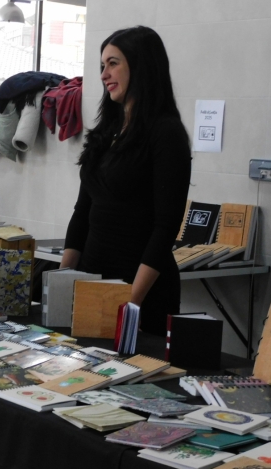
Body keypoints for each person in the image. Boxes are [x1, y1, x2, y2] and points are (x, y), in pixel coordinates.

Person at [61, 26, 191, 336]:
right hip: (94, 283)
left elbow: (165, 228)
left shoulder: (166, 133)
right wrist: (62, 281)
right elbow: (83, 211)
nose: (104, 74)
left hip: (141, 293)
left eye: (113, 63)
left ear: (141, 64)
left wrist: (130, 303)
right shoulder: (107, 131)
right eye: (102, 65)